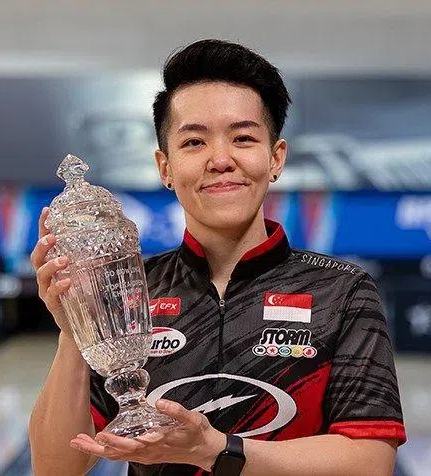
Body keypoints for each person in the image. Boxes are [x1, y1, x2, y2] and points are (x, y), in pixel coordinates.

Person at [29, 39, 405, 476]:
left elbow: (370, 463)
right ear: (165, 167)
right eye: (194, 142)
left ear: (276, 158)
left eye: (243, 138)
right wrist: (77, 328)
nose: (221, 160)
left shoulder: (342, 291)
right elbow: (56, 467)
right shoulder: (130, 293)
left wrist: (216, 450)